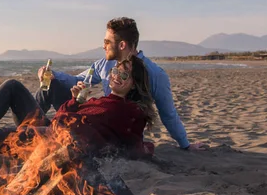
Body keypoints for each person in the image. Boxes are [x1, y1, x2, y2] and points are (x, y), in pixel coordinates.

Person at [0, 55, 156, 180]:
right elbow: (71, 118)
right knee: (13, 86)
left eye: (122, 76)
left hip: (58, 147)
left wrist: (71, 108)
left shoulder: (126, 109)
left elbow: (85, 132)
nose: (114, 78)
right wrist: (75, 101)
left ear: (134, 86)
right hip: (56, 133)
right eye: (114, 72)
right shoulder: (108, 101)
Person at [36, 17, 204, 151]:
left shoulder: (155, 74)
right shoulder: (104, 64)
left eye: (107, 42)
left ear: (122, 45)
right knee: (52, 85)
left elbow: (168, 114)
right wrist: (51, 75)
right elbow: (78, 80)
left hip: (114, 133)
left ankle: (36, 134)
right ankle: (33, 128)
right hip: (98, 120)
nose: (103, 46)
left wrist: (186, 144)